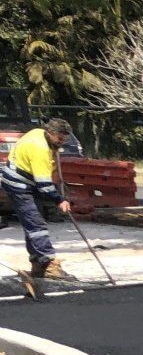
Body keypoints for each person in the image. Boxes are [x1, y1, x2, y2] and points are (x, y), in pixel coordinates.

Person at [2, 117, 73, 298]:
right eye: (60, 139)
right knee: (35, 223)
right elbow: (44, 185)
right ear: (51, 133)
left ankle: (37, 263)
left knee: (34, 222)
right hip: (19, 185)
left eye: (65, 140)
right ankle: (47, 264)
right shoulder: (40, 148)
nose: (62, 143)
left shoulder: (38, 134)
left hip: (24, 180)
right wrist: (60, 200)